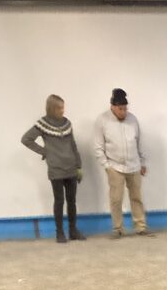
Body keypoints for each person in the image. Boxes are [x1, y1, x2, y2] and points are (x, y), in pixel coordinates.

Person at [21, 95, 86, 244]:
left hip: (71, 167)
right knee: (59, 201)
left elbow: (73, 144)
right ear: (52, 108)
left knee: (72, 201)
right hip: (56, 169)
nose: (63, 110)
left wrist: (79, 165)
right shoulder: (42, 124)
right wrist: (44, 152)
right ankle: (60, 233)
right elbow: (26, 139)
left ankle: (73, 231)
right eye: (59, 108)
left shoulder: (67, 123)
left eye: (63, 107)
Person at [94, 88, 153, 237]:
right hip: (114, 166)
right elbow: (98, 146)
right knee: (116, 199)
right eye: (120, 109)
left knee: (136, 197)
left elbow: (139, 142)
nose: (123, 112)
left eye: (125, 108)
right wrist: (106, 166)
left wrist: (142, 162)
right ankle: (118, 228)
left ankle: (140, 226)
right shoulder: (102, 121)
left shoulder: (133, 120)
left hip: (134, 165)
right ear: (112, 107)